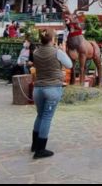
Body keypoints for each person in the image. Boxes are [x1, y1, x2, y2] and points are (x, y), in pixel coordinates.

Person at [30, 30, 72, 159]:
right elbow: (69, 64)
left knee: (40, 115)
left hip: (38, 89)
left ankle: (35, 145)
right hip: (52, 88)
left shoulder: (36, 52)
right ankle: (41, 150)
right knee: (47, 117)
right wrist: (62, 49)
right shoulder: (57, 52)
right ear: (52, 39)